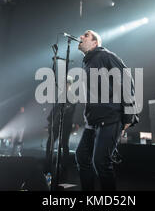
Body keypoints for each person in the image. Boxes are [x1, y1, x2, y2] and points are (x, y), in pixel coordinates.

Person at [75, 30, 139, 191]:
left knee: (101, 162)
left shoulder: (106, 56)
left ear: (95, 42)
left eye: (86, 35)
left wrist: (129, 117)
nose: (81, 37)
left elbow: (126, 81)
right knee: (82, 157)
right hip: (93, 121)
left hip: (110, 117)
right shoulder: (88, 62)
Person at [44, 76, 78, 175]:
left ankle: (64, 167)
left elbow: (70, 110)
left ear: (70, 84)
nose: (64, 85)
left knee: (64, 144)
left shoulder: (72, 96)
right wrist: (50, 119)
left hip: (65, 124)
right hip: (57, 123)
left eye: (66, 83)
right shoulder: (61, 95)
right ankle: (48, 164)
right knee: (50, 143)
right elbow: (56, 109)